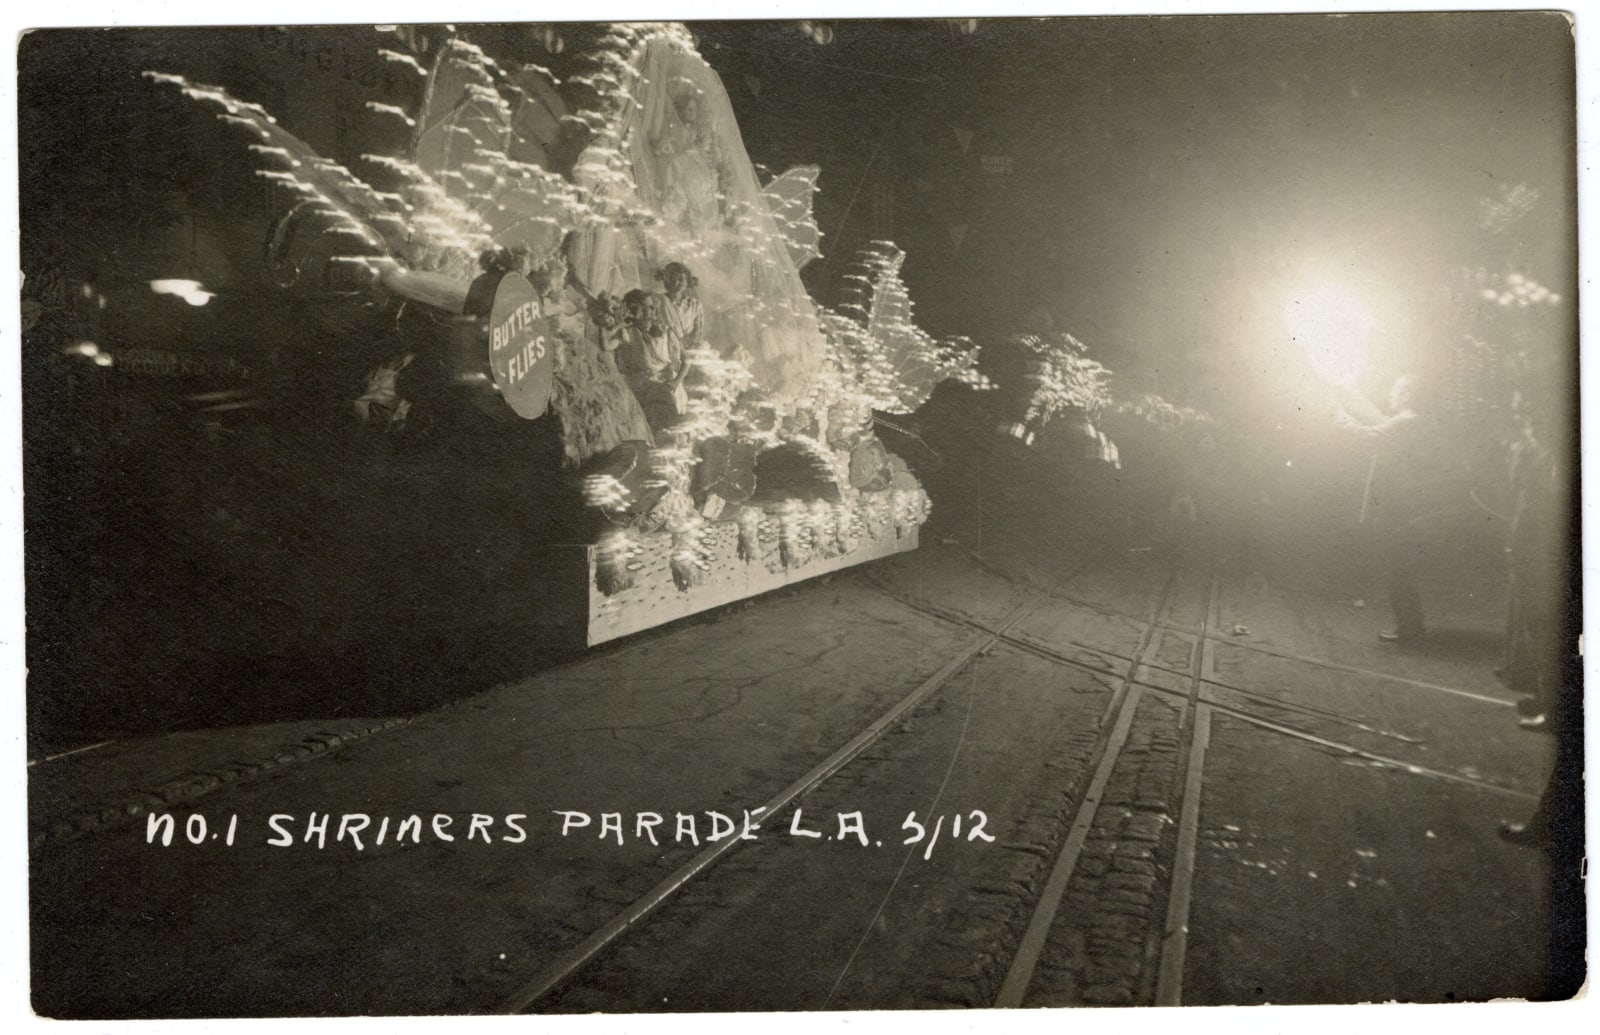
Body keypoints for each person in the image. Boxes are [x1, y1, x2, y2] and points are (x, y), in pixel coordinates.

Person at [1341, 373, 1429, 643]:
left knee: (1396, 569)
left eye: (1397, 389)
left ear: (1408, 395)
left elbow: (1368, 434)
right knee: (1398, 568)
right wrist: (1350, 394)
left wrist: (1336, 416)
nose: (1391, 394)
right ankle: (1410, 625)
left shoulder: (1406, 422)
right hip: (1402, 506)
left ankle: (1409, 629)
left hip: (1396, 509)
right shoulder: (1409, 420)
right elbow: (1380, 419)